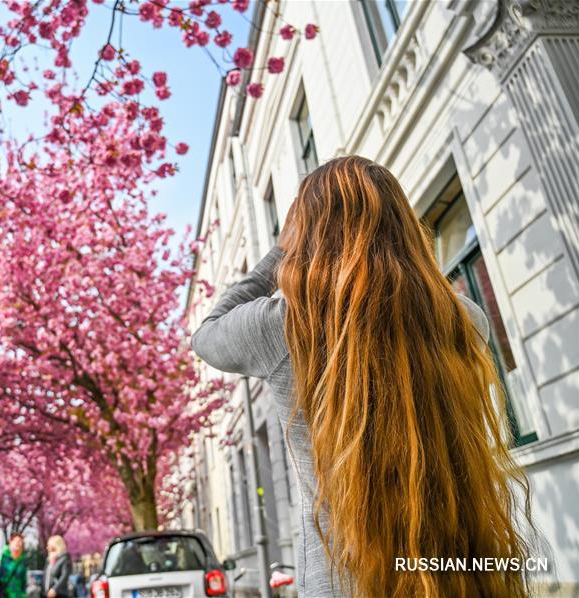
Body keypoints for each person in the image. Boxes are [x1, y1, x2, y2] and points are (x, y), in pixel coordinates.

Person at [191, 156, 535, 597]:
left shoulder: (286, 327)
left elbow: (206, 334)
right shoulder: (464, 319)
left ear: (307, 237)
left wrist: (280, 254)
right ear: (403, 225)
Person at [0, 533, 28, 598]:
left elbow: (24, 580)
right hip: (4, 594)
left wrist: (24, 594)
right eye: (17, 542)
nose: (19, 544)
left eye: (20, 542)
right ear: (11, 542)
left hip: (17, 595)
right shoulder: (3, 556)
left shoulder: (23, 560)